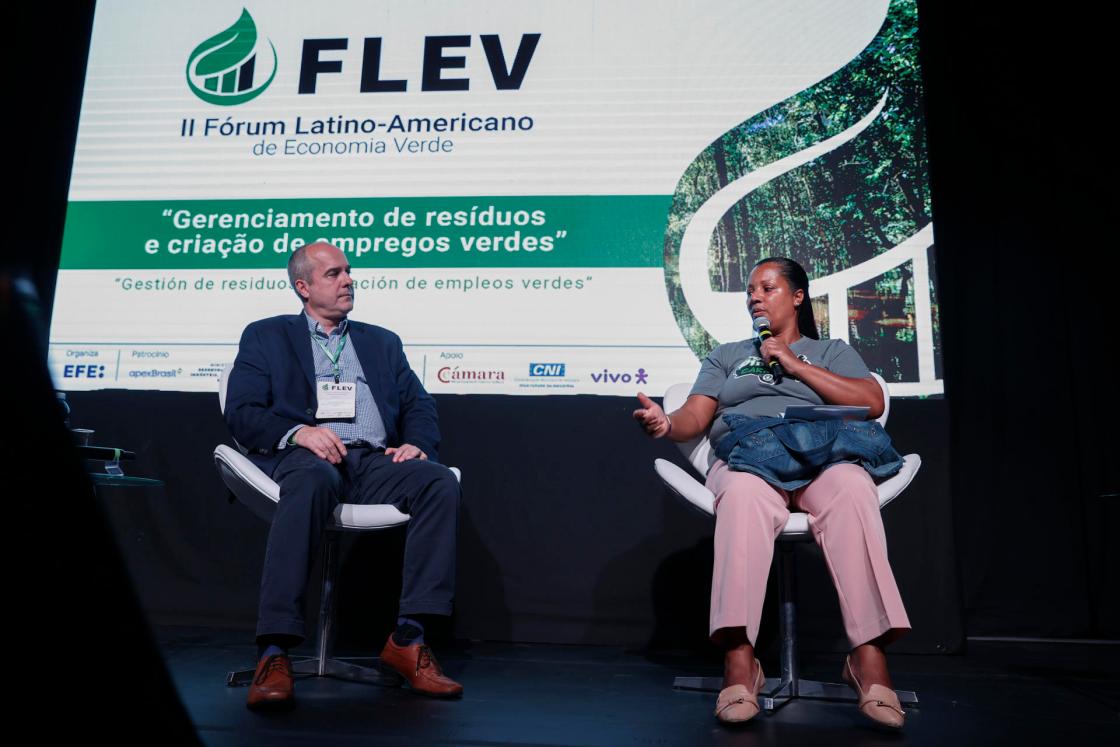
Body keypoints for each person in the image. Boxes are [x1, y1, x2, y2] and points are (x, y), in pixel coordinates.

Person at [634, 257, 910, 729]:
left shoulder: (830, 351)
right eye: (750, 291)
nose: (754, 298)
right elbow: (694, 417)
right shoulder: (726, 355)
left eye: (767, 288)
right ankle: (740, 662)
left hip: (821, 457)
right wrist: (666, 424)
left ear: (798, 296)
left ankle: (868, 658)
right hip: (748, 459)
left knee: (852, 487)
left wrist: (795, 365)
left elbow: (871, 402)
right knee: (740, 497)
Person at [225, 242, 463, 710]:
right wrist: (298, 433)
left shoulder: (381, 341)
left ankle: (409, 639)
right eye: (333, 274)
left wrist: (418, 442)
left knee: (437, 480)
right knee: (312, 481)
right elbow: (242, 413)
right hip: (308, 460)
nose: (348, 280)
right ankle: (274, 651)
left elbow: (419, 404)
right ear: (303, 287)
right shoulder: (266, 336)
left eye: (349, 272)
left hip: (373, 462)